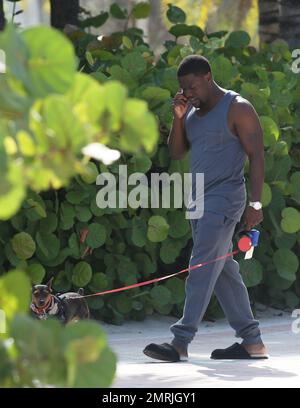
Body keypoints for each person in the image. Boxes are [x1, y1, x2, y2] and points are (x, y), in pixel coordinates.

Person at [143, 55, 268, 362]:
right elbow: (176, 153)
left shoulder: (237, 107)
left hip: (225, 197)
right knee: (222, 269)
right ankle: (252, 342)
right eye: (183, 88)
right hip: (197, 198)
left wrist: (255, 203)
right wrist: (177, 116)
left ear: (208, 77)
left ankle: (180, 341)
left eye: (193, 86)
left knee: (200, 265)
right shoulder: (190, 112)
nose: (188, 93)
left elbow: (257, 155)